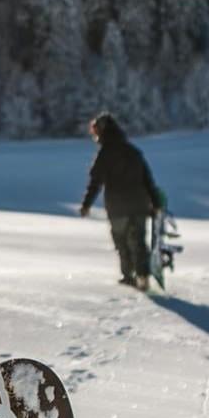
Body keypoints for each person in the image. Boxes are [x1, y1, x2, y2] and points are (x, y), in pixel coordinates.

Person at [79, 112, 161, 288]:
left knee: (122, 242)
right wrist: (156, 203)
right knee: (138, 241)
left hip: (117, 207)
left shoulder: (104, 154)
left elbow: (95, 182)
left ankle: (128, 275)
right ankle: (143, 277)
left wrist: (86, 205)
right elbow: (147, 180)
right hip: (139, 204)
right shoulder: (134, 152)